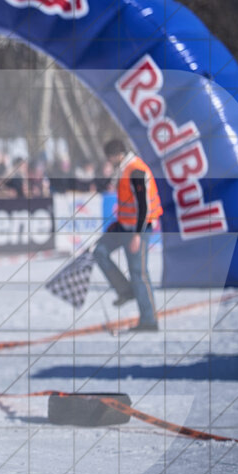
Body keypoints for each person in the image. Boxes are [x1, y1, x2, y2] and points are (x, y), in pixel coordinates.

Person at [92, 139, 163, 331]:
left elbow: (144, 206)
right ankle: (126, 291)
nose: (109, 161)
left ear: (117, 155)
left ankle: (149, 320)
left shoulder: (136, 171)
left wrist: (138, 235)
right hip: (124, 226)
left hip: (139, 228)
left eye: (109, 158)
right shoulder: (124, 169)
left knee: (138, 272)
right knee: (99, 251)